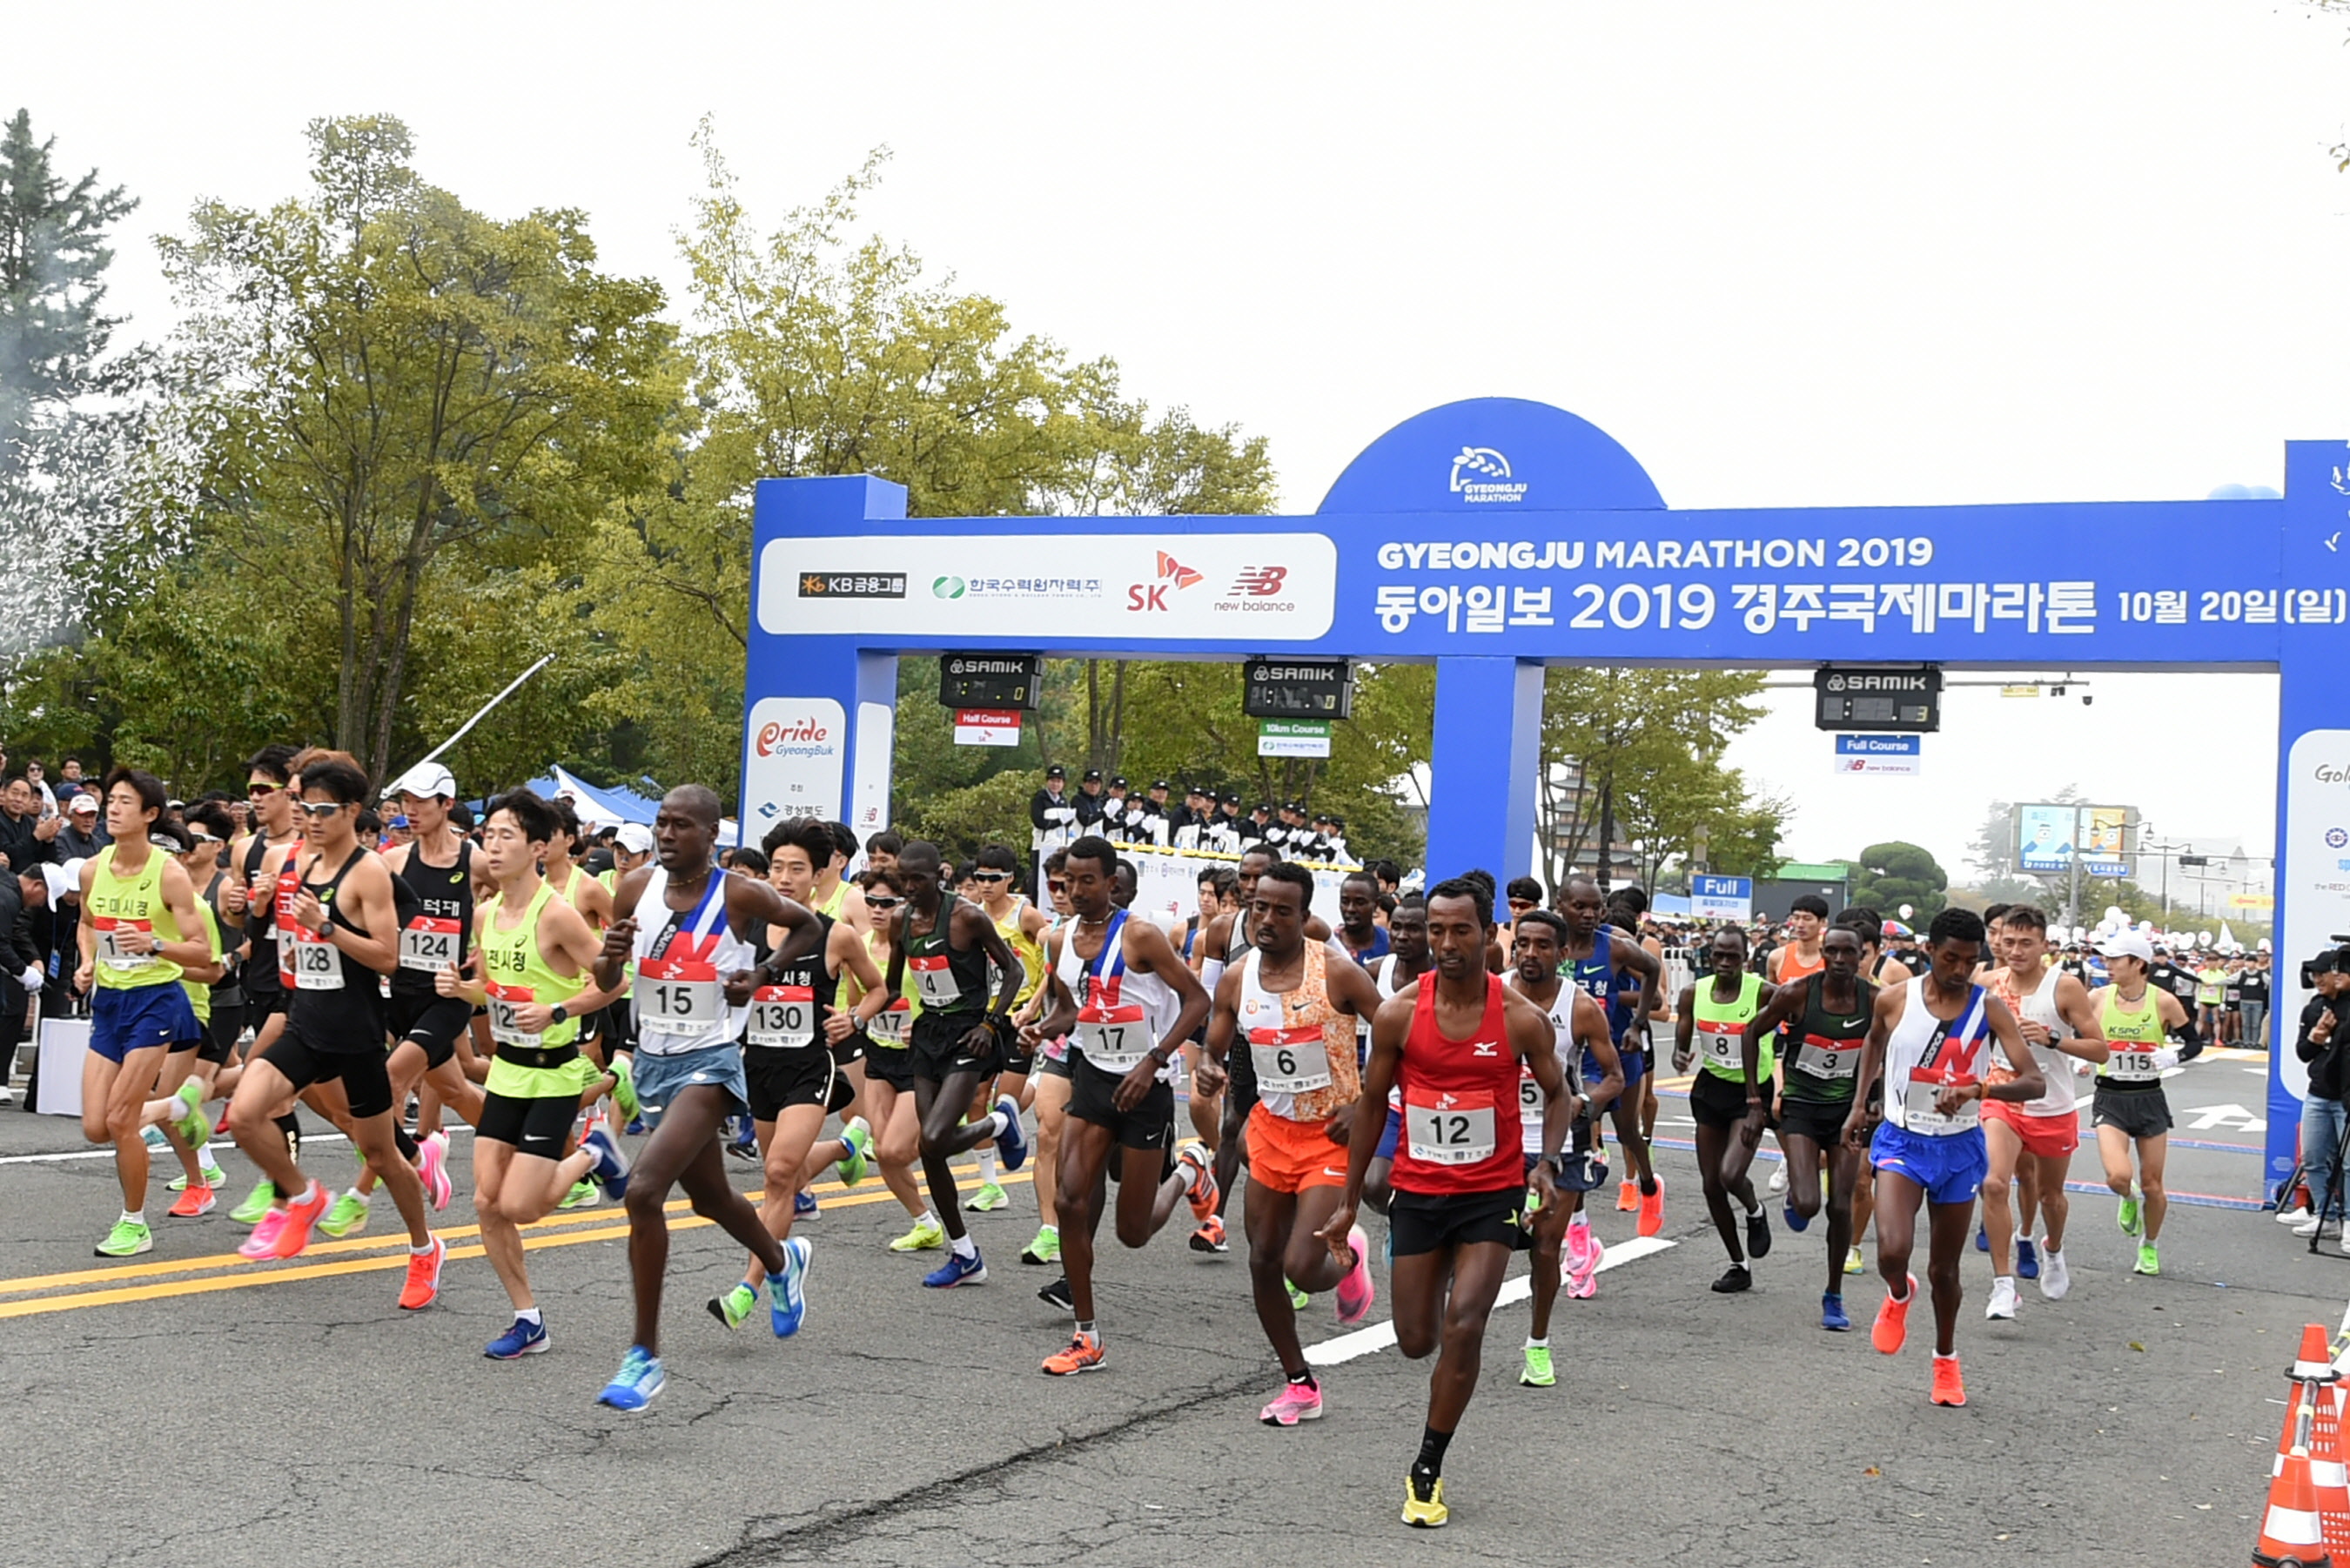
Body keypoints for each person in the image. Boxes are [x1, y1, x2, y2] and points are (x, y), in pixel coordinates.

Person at [1319, 874, 1569, 1528]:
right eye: (1437, 930)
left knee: (1466, 1324)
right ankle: (1410, 1274)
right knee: (1414, 1340)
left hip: (1492, 1192)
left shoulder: (1520, 1018)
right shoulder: (1400, 1011)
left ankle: (1427, 1465)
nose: (1447, 942)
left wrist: (1545, 1163)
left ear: (1490, 935)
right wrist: (1348, 1202)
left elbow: (1560, 1094)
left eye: (1461, 930)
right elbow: (1374, 1104)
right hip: (1420, 1191)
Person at [588, 784, 826, 1409]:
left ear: (711, 833)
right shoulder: (634, 889)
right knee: (712, 1198)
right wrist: (609, 960)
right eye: (661, 824)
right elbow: (609, 980)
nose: (667, 834)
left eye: (681, 826)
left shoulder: (739, 894)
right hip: (655, 1065)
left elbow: (808, 926)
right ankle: (781, 1261)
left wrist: (763, 973)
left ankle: (643, 1356)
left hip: (714, 1065)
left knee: (643, 1190)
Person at [221, 754, 447, 1309]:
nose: (313, 818)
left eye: (325, 809)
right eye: (305, 807)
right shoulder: (294, 860)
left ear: (351, 812)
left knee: (380, 1156)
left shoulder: (368, 872)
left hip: (354, 1034)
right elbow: (257, 925)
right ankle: (302, 1197)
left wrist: (328, 926)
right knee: (246, 1115)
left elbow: (389, 957)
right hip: (304, 1022)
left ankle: (424, 1248)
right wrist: (243, 908)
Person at [440, 788, 628, 1357]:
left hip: (553, 1075)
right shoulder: (485, 913)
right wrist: (462, 990)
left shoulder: (559, 915)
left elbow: (614, 981)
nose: (492, 846)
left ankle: (595, 1152)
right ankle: (528, 1319)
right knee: (485, 1205)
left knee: (521, 1206)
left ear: (537, 847)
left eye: (506, 836)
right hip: (506, 1073)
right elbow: (498, 991)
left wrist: (560, 1011)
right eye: (488, 834)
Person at [1192, 860, 1384, 1414]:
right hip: (1273, 1134)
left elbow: (1396, 1035)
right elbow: (1216, 1043)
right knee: (1261, 1262)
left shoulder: (1339, 972)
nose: (1268, 919)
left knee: (1303, 1266)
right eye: (1260, 908)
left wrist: (1366, 1100)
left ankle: (1350, 1256)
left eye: (1283, 910)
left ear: (1304, 916)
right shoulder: (1237, 977)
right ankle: (1300, 1382)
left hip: (1329, 1133)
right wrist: (1209, 1067)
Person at [1022, 835, 1214, 1375]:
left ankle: (1190, 1172)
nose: (1077, 891)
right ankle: (1088, 1337)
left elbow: (1197, 999)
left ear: (1112, 883)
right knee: (1069, 1202)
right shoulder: (1057, 940)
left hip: (1145, 1089)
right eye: (1067, 882)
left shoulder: (1140, 936)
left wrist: (1153, 1061)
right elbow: (1071, 1010)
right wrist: (1039, 1030)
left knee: (1133, 1232)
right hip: (1092, 1082)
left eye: (1089, 881)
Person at [1844, 908, 2043, 1408]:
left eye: (1970, 962)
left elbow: (2033, 1080)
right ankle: (1897, 1293)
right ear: (1928, 950)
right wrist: (1858, 1106)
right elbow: (1872, 1046)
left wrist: (1979, 1088)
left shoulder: (1989, 1008)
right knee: (1892, 1250)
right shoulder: (1894, 999)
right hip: (1902, 1140)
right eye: (1950, 959)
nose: (1959, 971)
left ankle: (1946, 1360)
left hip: (1958, 1146)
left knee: (1945, 1270)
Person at [707, 817, 890, 1336]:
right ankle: (843, 1150)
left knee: (779, 1175)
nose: (784, 878)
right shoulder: (745, 931)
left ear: (818, 875)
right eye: (778, 868)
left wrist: (853, 1018)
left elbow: (879, 989)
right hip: (757, 1066)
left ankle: (750, 1287)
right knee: (779, 1172)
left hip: (810, 1066)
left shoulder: (837, 936)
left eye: (797, 869)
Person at [77, 771, 212, 1257]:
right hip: (110, 1003)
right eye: (109, 800)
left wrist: (155, 942)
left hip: (156, 1001)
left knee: (120, 1119)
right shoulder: (92, 869)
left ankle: (134, 1223)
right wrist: (88, 962)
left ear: (150, 814)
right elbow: (87, 923)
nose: (112, 809)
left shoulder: (170, 874)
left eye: (124, 802)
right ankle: (177, 1108)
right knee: (95, 1126)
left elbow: (202, 953)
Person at [882, 838, 1026, 1288]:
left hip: (971, 1033)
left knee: (937, 1135)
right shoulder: (901, 920)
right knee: (931, 1149)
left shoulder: (965, 916)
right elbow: (892, 984)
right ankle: (965, 1255)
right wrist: (876, 1017)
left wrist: (990, 1023)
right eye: (903, 879)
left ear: (939, 875)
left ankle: (998, 1124)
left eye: (918, 879)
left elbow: (1014, 971)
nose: (909, 887)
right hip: (930, 1034)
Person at [1741, 921, 1873, 1329]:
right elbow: (1751, 1033)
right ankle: (1796, 1200)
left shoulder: (1875, 1001)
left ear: (1861, 956)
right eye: (1830, 951)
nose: (1837, 960)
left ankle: (1833, 1294)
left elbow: (1887, 1049)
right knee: (1810, 1203)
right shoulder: (1798, 992)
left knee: (1840, 1204)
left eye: (1846, 952)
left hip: (1846, 1113)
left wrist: (1876, 1099)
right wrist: (1754, 1100)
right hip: (1800, 1107)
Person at [1978, 905, 2107, 1313]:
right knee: (1995, 1184)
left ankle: (2052, 1248)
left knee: (2051, 1197)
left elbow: (2100, 1049)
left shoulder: (2064, 987)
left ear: (2044, 945)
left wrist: (2054, 1039)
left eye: (2025, 943)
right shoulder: (1986, 983)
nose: (2015, 951)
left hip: (2052, 1105)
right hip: (2002, 1098)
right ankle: (2003, 1285)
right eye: (2008, 942)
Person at [1509, 910, 1617, 1385]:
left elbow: (1614, 1075)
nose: (1531, 954)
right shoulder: (1492, 994)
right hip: (1498, 1139)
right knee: (1482, 1241)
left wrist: (1584, 1103)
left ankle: (1537, 1344)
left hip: (1559, 1141)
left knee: (1545, 1249)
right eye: (1523, 944)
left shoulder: (1580, 1008)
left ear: (1564, 952)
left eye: (1543, 946)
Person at [2087, 928, 2199, 1277]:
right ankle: (2127, 1198)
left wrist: (2174, 1056)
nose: (2107, 965)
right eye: (2106, 958)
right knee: (2118, 1176)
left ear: (2137, 964)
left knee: (2153, 1184)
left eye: (2115, 959)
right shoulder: (2097, 998)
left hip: (2149, 1097)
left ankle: (2149, 1246)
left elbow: (2194, 1041)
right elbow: (2080, 1032)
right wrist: (2082, 1055)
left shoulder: (2163, 1001)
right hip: (2111, 1096)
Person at [1672, 928, 1776, 1293]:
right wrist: (1679, 1054)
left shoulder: (1762, 992)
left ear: (1746, 958)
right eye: (1719, 955)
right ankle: (1738, 1264)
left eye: (1733, 956)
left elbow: (1793, 1024)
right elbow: (1682, 1040)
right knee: (1711, 1185)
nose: (1726, 963)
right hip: (1711, 1089)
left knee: (1732, 1175)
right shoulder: (1693, 993)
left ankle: (1755, 1211)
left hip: (1751, 1092)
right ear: (1710, 955)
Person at [1560, 874, 1663, 1234]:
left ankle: (1648, 1184)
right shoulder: (1551, 948)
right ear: (1561, 907)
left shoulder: (1614, 946)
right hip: (1572, 1057)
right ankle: (1578, 1223)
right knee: (1578, 1124)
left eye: (1595, 907)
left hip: (1617, 1052)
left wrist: (1636, 1024)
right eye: (1579, 907)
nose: (1589, 914)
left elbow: (1652, 973)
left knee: (1626, 1134)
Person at [2291, 952, 2350, 1244]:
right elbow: (2302, 1053)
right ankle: (2327, 1219)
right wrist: (2315, 1038)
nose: (2317, 980)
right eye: (2312, 974)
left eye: (2322, 973)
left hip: (2347, 1098)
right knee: (2313, 1157)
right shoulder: (2314, 1007)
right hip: (2318, 1094)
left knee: (2349, 1164)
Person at [1336, 871, 1390, 969]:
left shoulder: (1390, 943)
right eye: (1345, 902)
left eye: (1360, 903)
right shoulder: (1329, 944)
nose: (1350, 909)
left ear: (1376, 904)